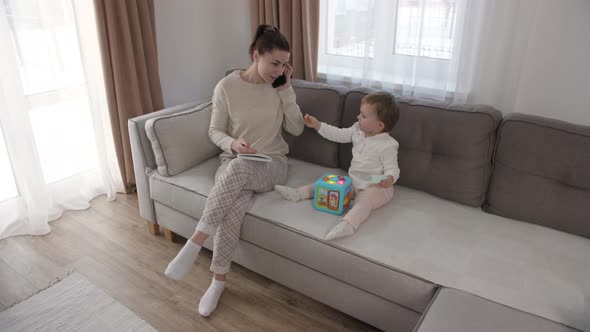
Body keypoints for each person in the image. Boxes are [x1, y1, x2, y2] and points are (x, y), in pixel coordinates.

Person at [164, 24, 304, 317]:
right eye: (273, 63)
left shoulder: (279, 87)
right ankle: (218, 282)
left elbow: (296, 128)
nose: (278, 70)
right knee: (233, 208)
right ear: (256, 55)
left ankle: (194, 243)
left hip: (272, 165)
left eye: (284, 64)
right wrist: (232, 143)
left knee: (238, 170)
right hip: (233, 162)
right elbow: (215, 131)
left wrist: (286, 90)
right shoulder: (226, 86)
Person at [275, 92, 400, 240]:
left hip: (377, 185)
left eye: (363, 116)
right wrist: (318, 125)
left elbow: (393, 168)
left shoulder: (388, 145)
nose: (358, 117)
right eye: (360, 113)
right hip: (355, 181)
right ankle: (298, 193)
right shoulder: (357, 130)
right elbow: (338, 134)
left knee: (363, 201)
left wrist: (389, 178)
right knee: (330, 183)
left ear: (379, 125)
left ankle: (348, 224)